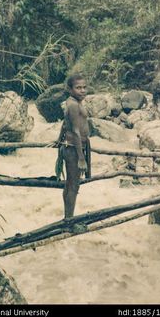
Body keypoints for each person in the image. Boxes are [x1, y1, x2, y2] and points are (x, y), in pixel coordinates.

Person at [55, 73, 91, 219]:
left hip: (71, 147)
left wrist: (59, 139)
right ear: (70, 89)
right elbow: (75, 131)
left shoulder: (73, 102)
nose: (82, 90)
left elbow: (65, 124)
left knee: (70, 184)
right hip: (73, 150)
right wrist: (81, 158)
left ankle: (67, 217)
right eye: (78, 88)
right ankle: (69, 219)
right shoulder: (74, 105)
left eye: (84, 87)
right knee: (73, 186)